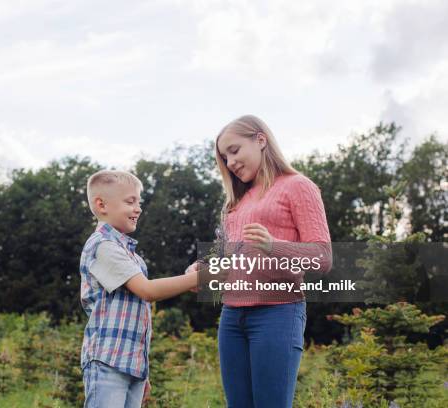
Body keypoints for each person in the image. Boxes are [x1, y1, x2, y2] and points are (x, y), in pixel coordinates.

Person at [214, 114, 332, 407]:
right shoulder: (236, 202)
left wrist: (273, 245)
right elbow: (230, 260)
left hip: (277, 313)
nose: (230, 163)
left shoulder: (298, 186)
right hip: (231, 317)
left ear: (261, 140)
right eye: (224, 157)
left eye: (234, 150)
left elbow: (322, 257)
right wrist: (204, 269)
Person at [80, 169, 198, 408]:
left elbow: (137, 314)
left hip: (130, 365)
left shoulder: (130, 255)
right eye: (130, 201)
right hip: (107, 362)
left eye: (138, 202)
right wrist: (199, 279)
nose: (138, 208)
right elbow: (147, 291)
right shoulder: (103, 246)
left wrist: (142, 372)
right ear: (101, 205)